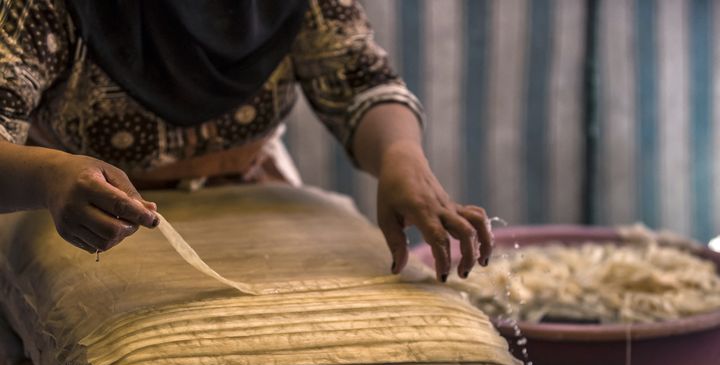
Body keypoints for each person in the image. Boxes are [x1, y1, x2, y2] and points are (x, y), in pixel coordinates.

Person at [0, 0, 493, 283]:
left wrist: (399, 155)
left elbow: (360, 81)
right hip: (81, 219)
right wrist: (47, 176)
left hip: (257, 197)